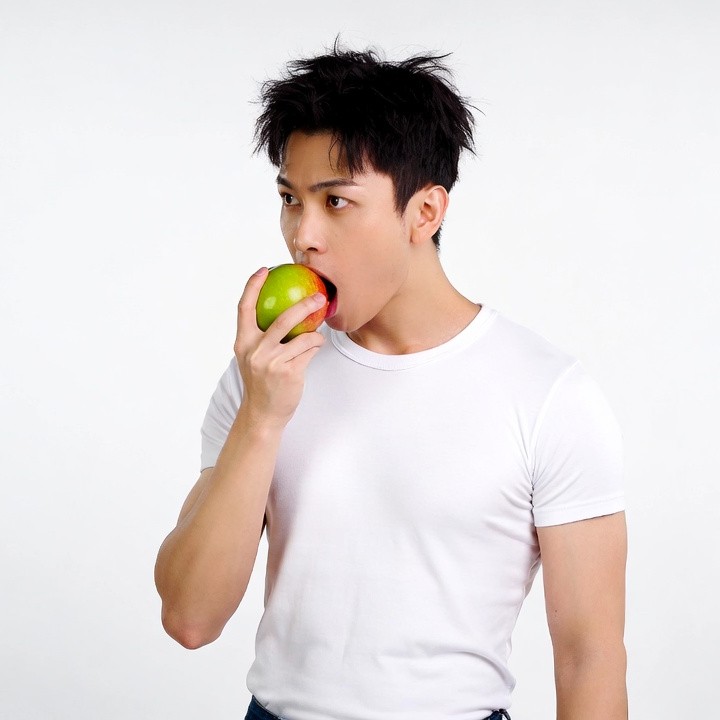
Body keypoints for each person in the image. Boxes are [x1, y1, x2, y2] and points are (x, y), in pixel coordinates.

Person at [154, 42, 628, 720]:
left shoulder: (549, 394)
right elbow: (189, 618)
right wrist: (261, 419)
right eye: (289, 199)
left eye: (336, 201)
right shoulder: (264, 375)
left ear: (425, 212)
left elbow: (590, 657)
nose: (302, 236)